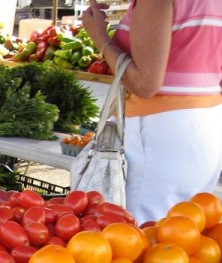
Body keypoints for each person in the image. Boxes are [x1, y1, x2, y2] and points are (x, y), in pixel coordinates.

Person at [82, 0, 222, 225]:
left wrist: (100, 38)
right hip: (207, 125)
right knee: (186, 236)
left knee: (143, 235)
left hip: (159, 135)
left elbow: (145, 84)